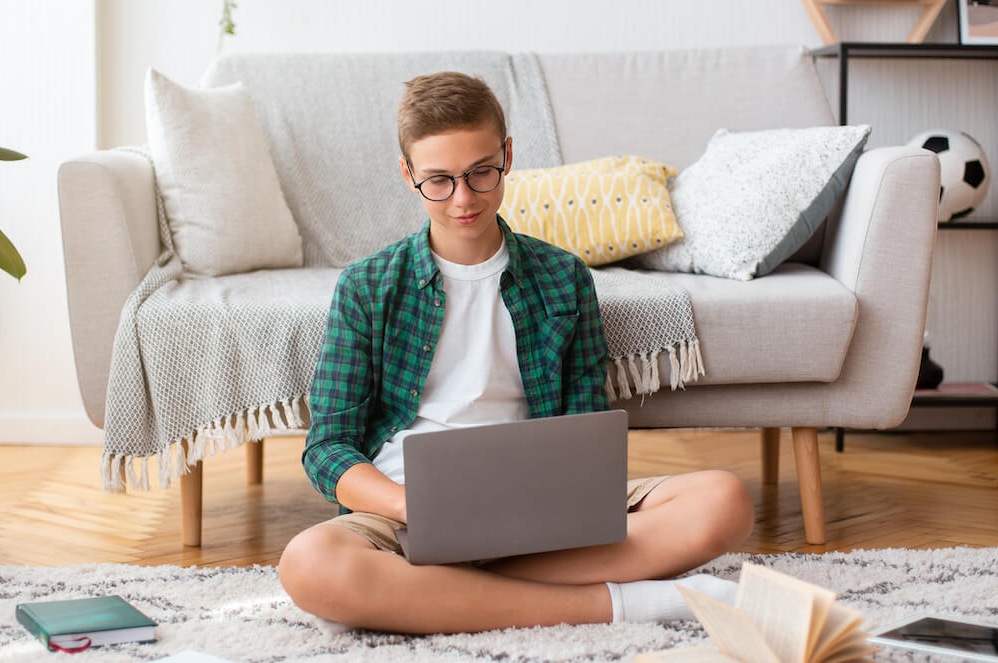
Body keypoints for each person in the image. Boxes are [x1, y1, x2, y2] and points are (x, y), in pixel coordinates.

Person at [278, 71, 755, 634]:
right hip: (406, 515)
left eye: (481, 172)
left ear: (506, 155)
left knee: (723, 501)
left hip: (539, 508)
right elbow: (328, 446)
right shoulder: (367, 285)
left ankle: (444, 592)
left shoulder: (562, 278)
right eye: (439, 180)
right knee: (309, 564)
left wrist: (561, 504)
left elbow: (582, 427)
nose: (463, 198)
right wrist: (409, 506)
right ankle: (622, 603)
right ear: (408, 175)